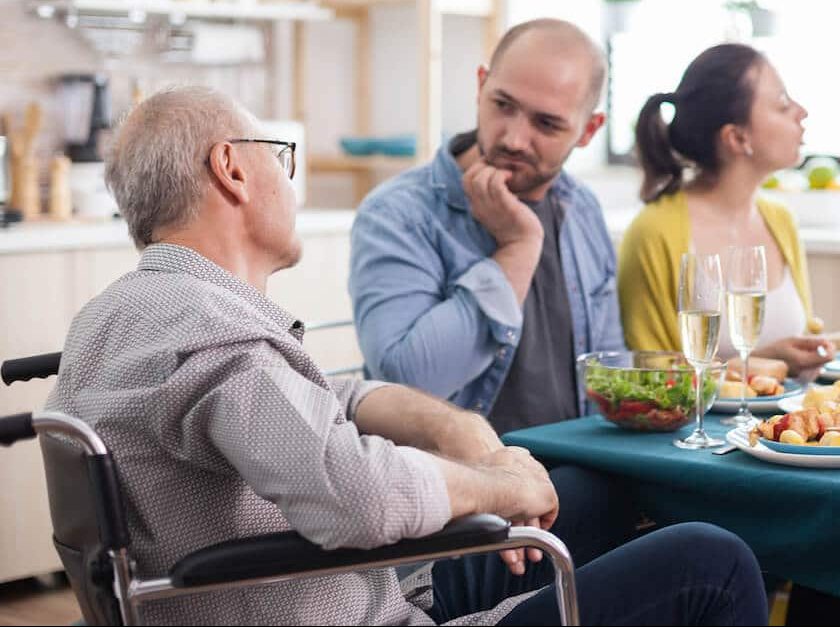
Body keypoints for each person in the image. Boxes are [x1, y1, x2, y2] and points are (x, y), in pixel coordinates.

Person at [46, 86, 767, 626]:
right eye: (280, 157)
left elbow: (332, 397)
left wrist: (463, 436)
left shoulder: (122, 316)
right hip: (349, 605)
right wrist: (492, 487)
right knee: (713, 560)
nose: (288, 183)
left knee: (593, 492)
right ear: (232, 168)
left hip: (346, 584)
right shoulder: (205, 327)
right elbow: (354, 494)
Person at [350, 19, 624, 435]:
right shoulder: (398, 214)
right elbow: (406, 384)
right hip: (463, 484)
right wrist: (517, 247)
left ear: (588, 130)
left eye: (546, 124)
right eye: (503, 105)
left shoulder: (581, 208)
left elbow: (609, 370)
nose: (514, 138)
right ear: (481, 86)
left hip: (580, 464)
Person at [617, 43, 840, 380]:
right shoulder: (653, 232)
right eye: (782, 105)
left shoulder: (779, 220)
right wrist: (759, 363)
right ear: (738, 138)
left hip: (781, 431)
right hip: (701, 433)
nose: (801, 112)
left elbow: (794, 353)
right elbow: (652, 378)